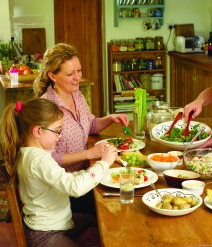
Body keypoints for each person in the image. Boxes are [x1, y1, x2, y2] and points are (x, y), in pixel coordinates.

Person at [0, 98, 118, 247]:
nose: (60, 136)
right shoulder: (39, 160)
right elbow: (74, 188)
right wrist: (104, 163)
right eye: (57, 130)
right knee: (99, 227)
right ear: (37, 131)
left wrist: (89, 172)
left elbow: (62, 179)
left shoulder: (30, 153)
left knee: (93, 221)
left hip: (57, 223)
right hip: (45, 233)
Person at [33, 43, 128, 214]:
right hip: (65, 189)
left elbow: (90, 125)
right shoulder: (46, 107)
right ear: (52, 76)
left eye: (79, 71)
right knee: (116, 207)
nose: (77, 77)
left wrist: (111, 119)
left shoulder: (77, 94)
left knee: (126, 190)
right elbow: (48, 159)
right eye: (70, 74)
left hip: (86, 174)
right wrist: (90, 153)